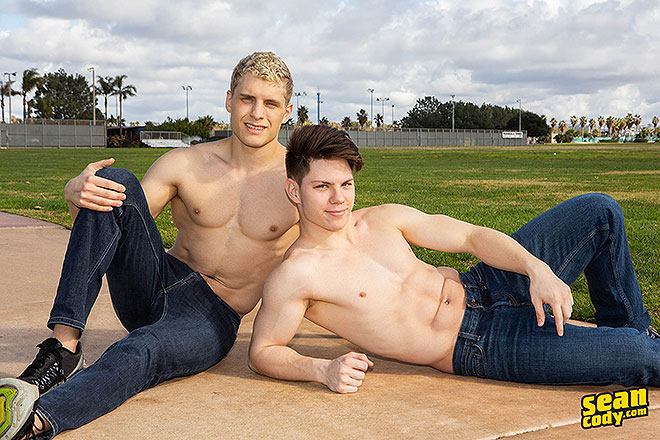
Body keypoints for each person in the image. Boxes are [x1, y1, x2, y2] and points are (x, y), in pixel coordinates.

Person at [0, 51, 299, 439]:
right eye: (247, 99)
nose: (257, 113)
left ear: (287, 111)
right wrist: (75, 194)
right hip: (156, 281)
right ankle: (63, 349)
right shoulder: (185, 163)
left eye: (270, 103)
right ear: (230, 100)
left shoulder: (298, 184)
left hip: (212, 314)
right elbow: (109, 225)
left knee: (142, 349)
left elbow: (334, 255)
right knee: (115, 183)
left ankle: (32, 422)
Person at [248, 124, 660, 394]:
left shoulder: (381, 219)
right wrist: (321, 370)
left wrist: (536, 269)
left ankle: (629, 327)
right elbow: (263, 350)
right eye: (322, 186)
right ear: (295, 190)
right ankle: (633, 343)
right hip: (478, 343)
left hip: (487, 283)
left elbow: (470, 236)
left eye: (346, 184)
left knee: (600, 211)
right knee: (642, 357)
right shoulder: (297, 274)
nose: (339, 198)